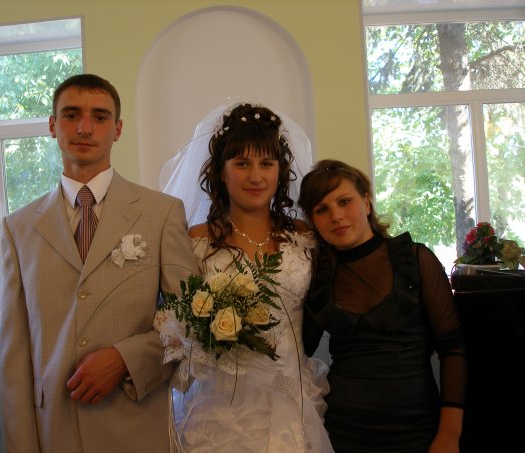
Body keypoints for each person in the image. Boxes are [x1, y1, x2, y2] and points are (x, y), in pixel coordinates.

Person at [0, 73, 198, 452]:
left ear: (117, 129)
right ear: (53, 126)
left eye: (100, 116)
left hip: (136, 425)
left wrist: (126, 358)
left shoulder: (162, 213)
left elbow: (191, 319)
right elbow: (14, 355)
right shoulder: (18, 228)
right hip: (53, 429)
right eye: (72, 115)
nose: (85, 128)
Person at [158, 102, 335, 452]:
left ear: (280, 171)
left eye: (266, 164)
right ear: (222, 173)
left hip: (291, 402)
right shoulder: (195, 241)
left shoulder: (305, 236)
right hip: (216, 409)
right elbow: (175, 322)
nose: (256, 176)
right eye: (242, 163)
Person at [298, 159, 467, 453]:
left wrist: (450, 434)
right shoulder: (318, 276)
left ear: (366, 203)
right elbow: (301, 348)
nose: (336, 215)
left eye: (344, 201)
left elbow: (453, 349)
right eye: (321, 209)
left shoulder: (416, 259)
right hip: (341, 433)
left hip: (417, 431)